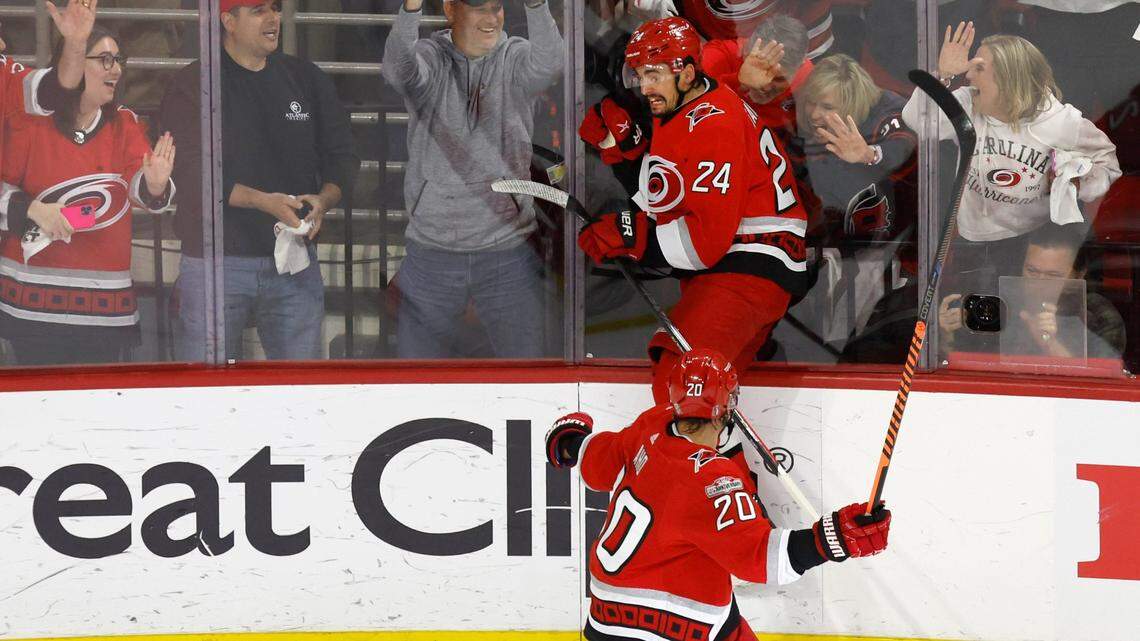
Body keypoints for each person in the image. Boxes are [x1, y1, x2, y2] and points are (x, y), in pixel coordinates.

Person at [545, 348, 891, 641]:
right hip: (675, 621)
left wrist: (571, 444)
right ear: (728, 406)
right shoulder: (712, 477)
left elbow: (598, 464)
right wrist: (836, 538)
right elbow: (761, 561)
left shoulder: (651, 424)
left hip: (603, 612)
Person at [577, 16, 809, 402]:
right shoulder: (685, 110)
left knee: (682, 380)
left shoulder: (713, 125)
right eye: (639, 75)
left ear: (685, 72)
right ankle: (724, 459)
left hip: (751, 266)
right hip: (742, 266)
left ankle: (699, 463)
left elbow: (702, 245)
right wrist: (621, 154)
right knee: (703, 395)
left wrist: (632, 237)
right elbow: (664, 200)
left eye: (653, 75)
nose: (644, 87)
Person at [159, 0, 357, 361]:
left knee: (300, 393)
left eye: (276, 9)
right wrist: (261, 201)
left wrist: (323, 200)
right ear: (228, 21)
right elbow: (188, 172)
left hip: (293, 260)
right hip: (215, 264)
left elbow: (342, 155)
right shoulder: (194, 84)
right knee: (206, 392)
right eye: (259, 10)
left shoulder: (304, 77)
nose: (273, 19)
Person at [382, 0, 564, 358]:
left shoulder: (515, 56)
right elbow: (398, 70)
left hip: (509, 250)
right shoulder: (430, 57)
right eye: (479, 8)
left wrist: (537, 4)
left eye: (497, 8)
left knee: (524, 377)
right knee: (417, 380)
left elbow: (551, 63)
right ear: (450, 10)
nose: (491, 19)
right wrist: (411, 8)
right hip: (431, 251)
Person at [0, 24, 176, 366]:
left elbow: (142, 189)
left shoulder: (124, 124)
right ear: (75, 62)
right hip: (32, 306)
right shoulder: (32, 123)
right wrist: (35, 209)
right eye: (105, 59)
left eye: (119, 60)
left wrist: (155, 184)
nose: (117, 69)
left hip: (103, 310)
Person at [902, 22, 1121, 290]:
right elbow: (917, 120)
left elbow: (1108, 162)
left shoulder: (1060, 122)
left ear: (1009, 79)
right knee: (970, 319)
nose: (969, 75)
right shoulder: (969, 103)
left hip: (1029, 242)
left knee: (1019, 319)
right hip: (973, 239)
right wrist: (942, 76)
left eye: (979, 68)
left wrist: (1078, 184)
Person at [938, 222, 1126, 361]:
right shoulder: (998, 303)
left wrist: (1050, 343)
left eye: (1053, 275)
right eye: (1032, 271)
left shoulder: (1097, 314)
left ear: (1078, 275)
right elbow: (960, 363)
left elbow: (1100, 382)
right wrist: (946, 332)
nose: (1039, 282)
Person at [799, 53, 916, 244]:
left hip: (888, 240)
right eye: (811, 102)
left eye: (827, 107)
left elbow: (905, 148)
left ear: (851, 103)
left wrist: (868, 154)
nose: (814, 113)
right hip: (827, 235)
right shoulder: (803, 120)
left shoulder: (888, 111)